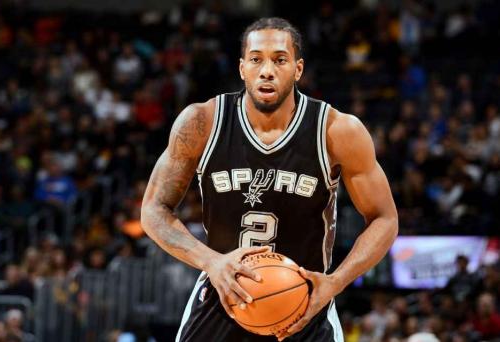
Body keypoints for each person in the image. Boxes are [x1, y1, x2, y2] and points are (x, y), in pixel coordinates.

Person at [141, 17, 398, 341]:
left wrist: (335, 281)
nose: (267, 70)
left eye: (279, 59)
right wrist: (211, 262)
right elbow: (153, 209)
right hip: (223, 294)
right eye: (256, 59)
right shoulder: (201, 123)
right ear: (241, 68)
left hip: (305, 303)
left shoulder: (337, 131)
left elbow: (385, 218)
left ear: (298, 68)